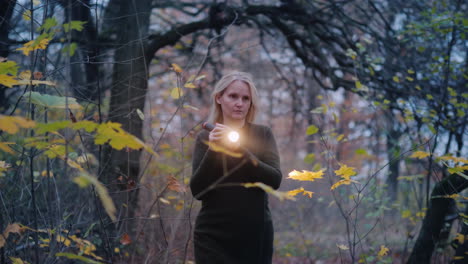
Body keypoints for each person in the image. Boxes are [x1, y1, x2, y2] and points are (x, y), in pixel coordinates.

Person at [190, 71, 282, 264]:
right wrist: (214, 150)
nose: (239, 103)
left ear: (251, 103)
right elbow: (198, 190)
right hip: (212, 236)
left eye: (245, 98)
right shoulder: (205, 137)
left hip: (255, 235)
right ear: (219, 98)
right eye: (233, 96)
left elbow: (274, 180)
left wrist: (240, 150)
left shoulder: (262, 134)